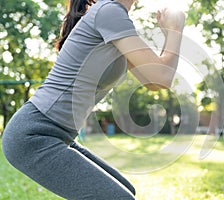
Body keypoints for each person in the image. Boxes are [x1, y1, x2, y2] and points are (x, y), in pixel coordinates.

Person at [2, 0, 185, 199]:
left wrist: (170, 34)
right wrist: (176, 30)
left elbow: (154, 82)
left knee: (126, 191)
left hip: (59, 134)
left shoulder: (115, 18)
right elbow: (162, 77)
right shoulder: (109, 12)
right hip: (35, 134)